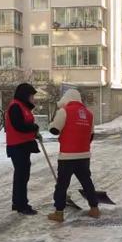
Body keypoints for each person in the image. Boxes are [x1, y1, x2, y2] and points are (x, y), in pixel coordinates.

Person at [47, 88, 100, 223]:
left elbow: (54, 130)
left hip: (67, 156)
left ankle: (59, 213)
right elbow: (91, 135)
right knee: (87, 182)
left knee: (62, 185)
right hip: (84, 155)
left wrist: (51, 124)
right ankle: (94, 209)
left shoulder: (64, 111)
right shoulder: (89, 114)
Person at [5, 83, 40, 215]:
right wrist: (33, 128)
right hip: (17, 146)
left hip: (23, 145)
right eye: (31, 96)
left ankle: (17, 202)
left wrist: (34, 131)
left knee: (22, 175)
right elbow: (19, 125)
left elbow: (26, 125)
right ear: (25, 95)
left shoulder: (23, 107)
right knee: (22, 175)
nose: (33, 99)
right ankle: (21, 205)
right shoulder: (15, 106)